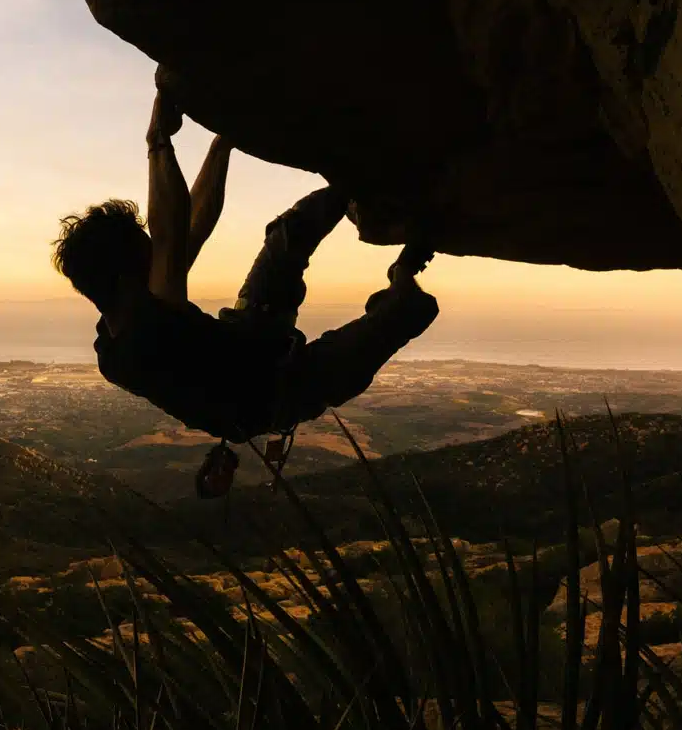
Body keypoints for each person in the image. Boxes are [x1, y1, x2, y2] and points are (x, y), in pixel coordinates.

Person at [52, 82, 439, 497]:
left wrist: (222, 146)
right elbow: (172, 232)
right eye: (148, 249)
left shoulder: (118, 327)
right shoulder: (141, 339)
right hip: (288, 388)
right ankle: (403, 271)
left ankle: (367, 187)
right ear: (126, 275)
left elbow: (187, 229)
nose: (161, 250)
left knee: (289, 233)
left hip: (253, 331)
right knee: (409, 310)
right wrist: (157, 142)